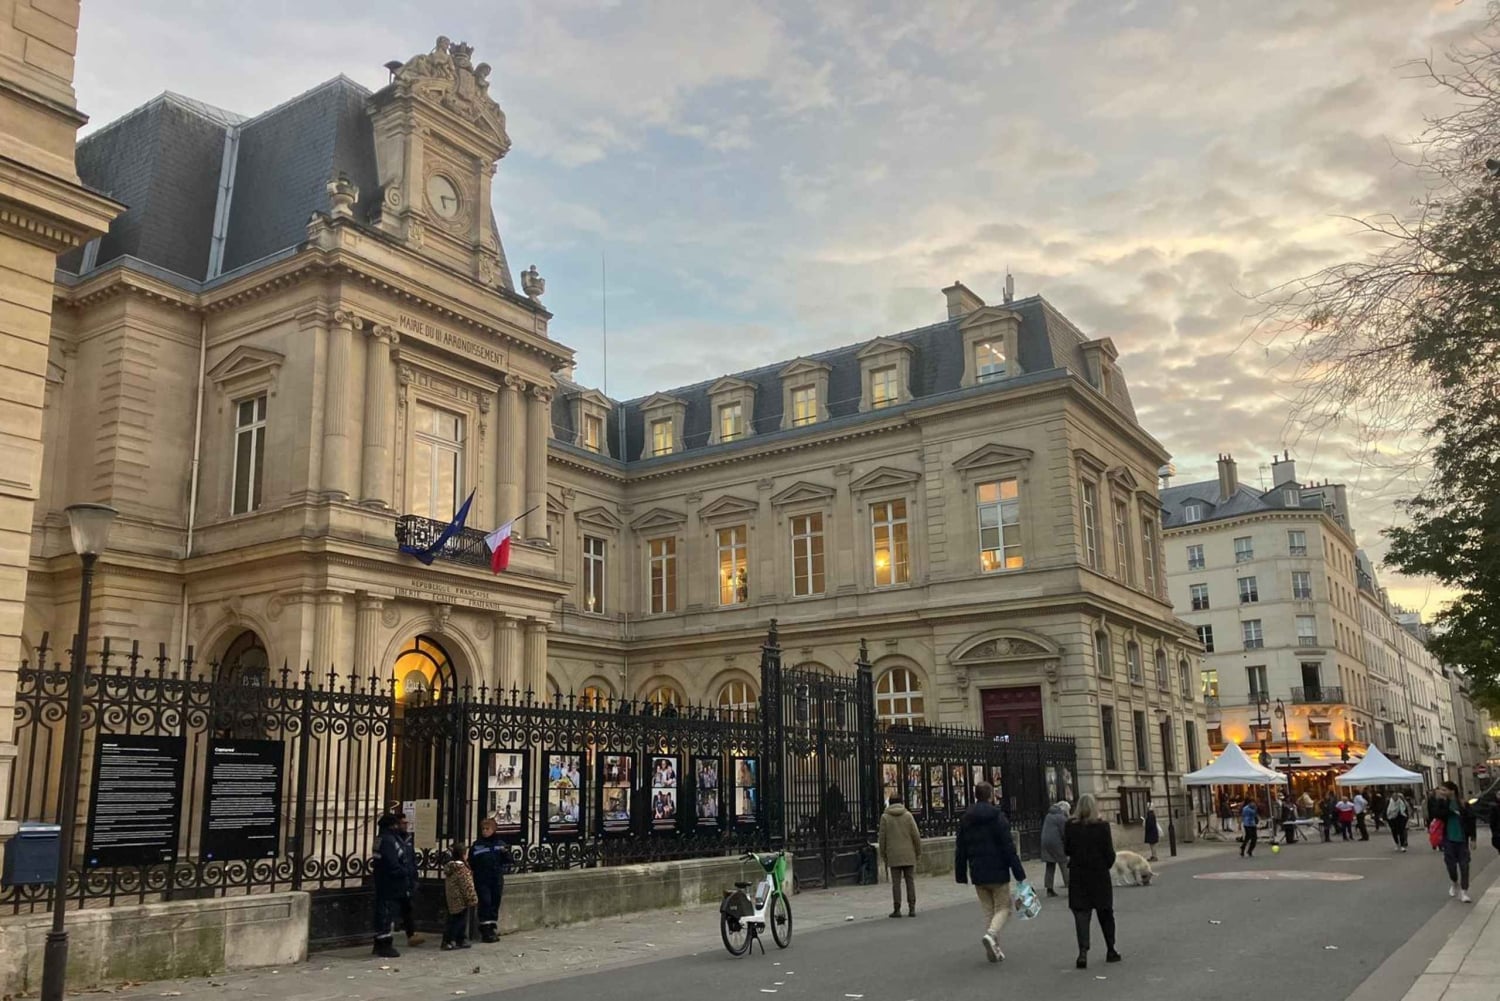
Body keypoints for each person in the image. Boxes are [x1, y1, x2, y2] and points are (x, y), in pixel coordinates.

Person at [953, 780, 1027, 964]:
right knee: (1004, 908)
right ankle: (992, 935)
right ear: (990, 796)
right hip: (998, 870)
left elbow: (960, 848)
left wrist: (961, 873)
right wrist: (1019, 873)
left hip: (977, 870)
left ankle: (994, 948)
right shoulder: (997, 817)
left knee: (988, 911)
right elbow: (1008, 847)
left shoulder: (966, 819)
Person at [1065, 794, 1120, 969]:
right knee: (1106, 914)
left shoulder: (1070, 826)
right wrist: (1104, 865)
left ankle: (1083, 952)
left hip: (1079, 876)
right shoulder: (1102, 827)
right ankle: (1111, 949)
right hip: (1099, 875)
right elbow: (1109, 854)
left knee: (1081, 914)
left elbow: (1067, 849)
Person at [878, 793, 923, 918]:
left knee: (896, 883)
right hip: (908, 853)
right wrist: (918, 851)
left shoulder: (885, 817)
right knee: (910, 881)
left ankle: (897, 908)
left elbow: (882, 838)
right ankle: (912, 908)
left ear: (890, 803)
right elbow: (916, 835)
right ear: (902, 802)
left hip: (893, 854)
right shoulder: (908, 815)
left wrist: (883, 854)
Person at [372, 814, 410, 958]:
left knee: (383, 910)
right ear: (391, 826)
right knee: (387, 912)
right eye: (396, 824)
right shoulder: (388, 840)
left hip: (382, 879)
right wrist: (403, 871)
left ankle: (379, 941)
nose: (398, 826)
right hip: (390, 881)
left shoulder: (380, 838)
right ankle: (384, 943)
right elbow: (392, 862)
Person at [469, 816, 510, 942]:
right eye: (483, 829)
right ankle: (485, 929)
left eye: (487, 829)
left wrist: (505, 853)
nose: (485, 831)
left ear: (493, 830)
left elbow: (508, 861)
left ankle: (492, 927)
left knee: (494, 902)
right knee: (485, 902)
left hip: (496, 878)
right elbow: (471, 861)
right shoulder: (477, 845)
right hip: (482, 878)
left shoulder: (500, 844)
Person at [1434, 781, 1477, 903]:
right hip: (1448, 839)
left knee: (1464, 866)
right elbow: (1437, 815)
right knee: (1451, 866)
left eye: (1444, 790)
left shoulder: (1463, 804)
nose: (1442, 792)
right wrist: (1448, 807)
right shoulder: (1442, 803)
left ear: (1452, 791)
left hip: (1462, 840)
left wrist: (1473, 838)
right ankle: (1454, 881)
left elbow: (1471, 820)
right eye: (1441, 790)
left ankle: (1464, 892)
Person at [394, 812, 425, 947]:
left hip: (408, 878)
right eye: (403, 823)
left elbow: (411, 859)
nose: (406, 825)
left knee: (407, 907)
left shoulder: (408, 838)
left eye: (406, 823)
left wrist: (414, 876)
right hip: (397, 878)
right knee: (396, 907)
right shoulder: (393, 840)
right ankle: (387, 933)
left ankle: (411, 934)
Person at [441, 844, 479, 950]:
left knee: (452, 920)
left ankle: (453, 940)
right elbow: (467, 886)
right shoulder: (462, 869)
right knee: (459, 921)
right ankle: (453, 940)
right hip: (460, 899)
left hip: (452, 898)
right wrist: (472, 898)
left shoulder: (450, 868)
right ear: (463, 855)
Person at [1040, 800, 1070, 898]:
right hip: (1056, 843)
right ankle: (1069, 885)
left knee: (1050, 864)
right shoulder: (1061, 818)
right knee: (1064, 863)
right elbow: (1065, 833)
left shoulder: (1049, 815)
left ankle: (1049, 889)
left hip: (1045, 842)